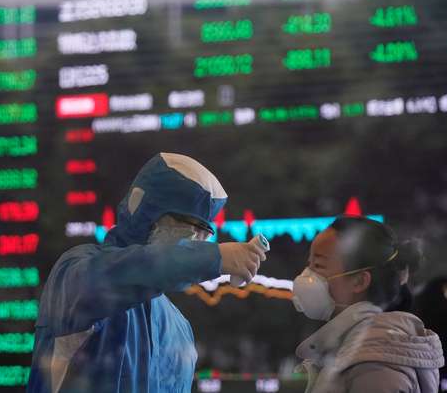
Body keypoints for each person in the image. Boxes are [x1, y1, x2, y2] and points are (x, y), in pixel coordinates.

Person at [27, 153, 267, 393]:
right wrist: (214, 257)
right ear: (142, 208)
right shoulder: (75, 272)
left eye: (203, 231)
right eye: (186, 224)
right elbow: (125, 274)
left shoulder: (180, 329)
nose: (195, 240)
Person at [292, 215, 444, 393]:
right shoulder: (355, 350)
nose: (306, 275)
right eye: (309, 264)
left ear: (359, 281)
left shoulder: (376, 364)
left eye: (318, 265)